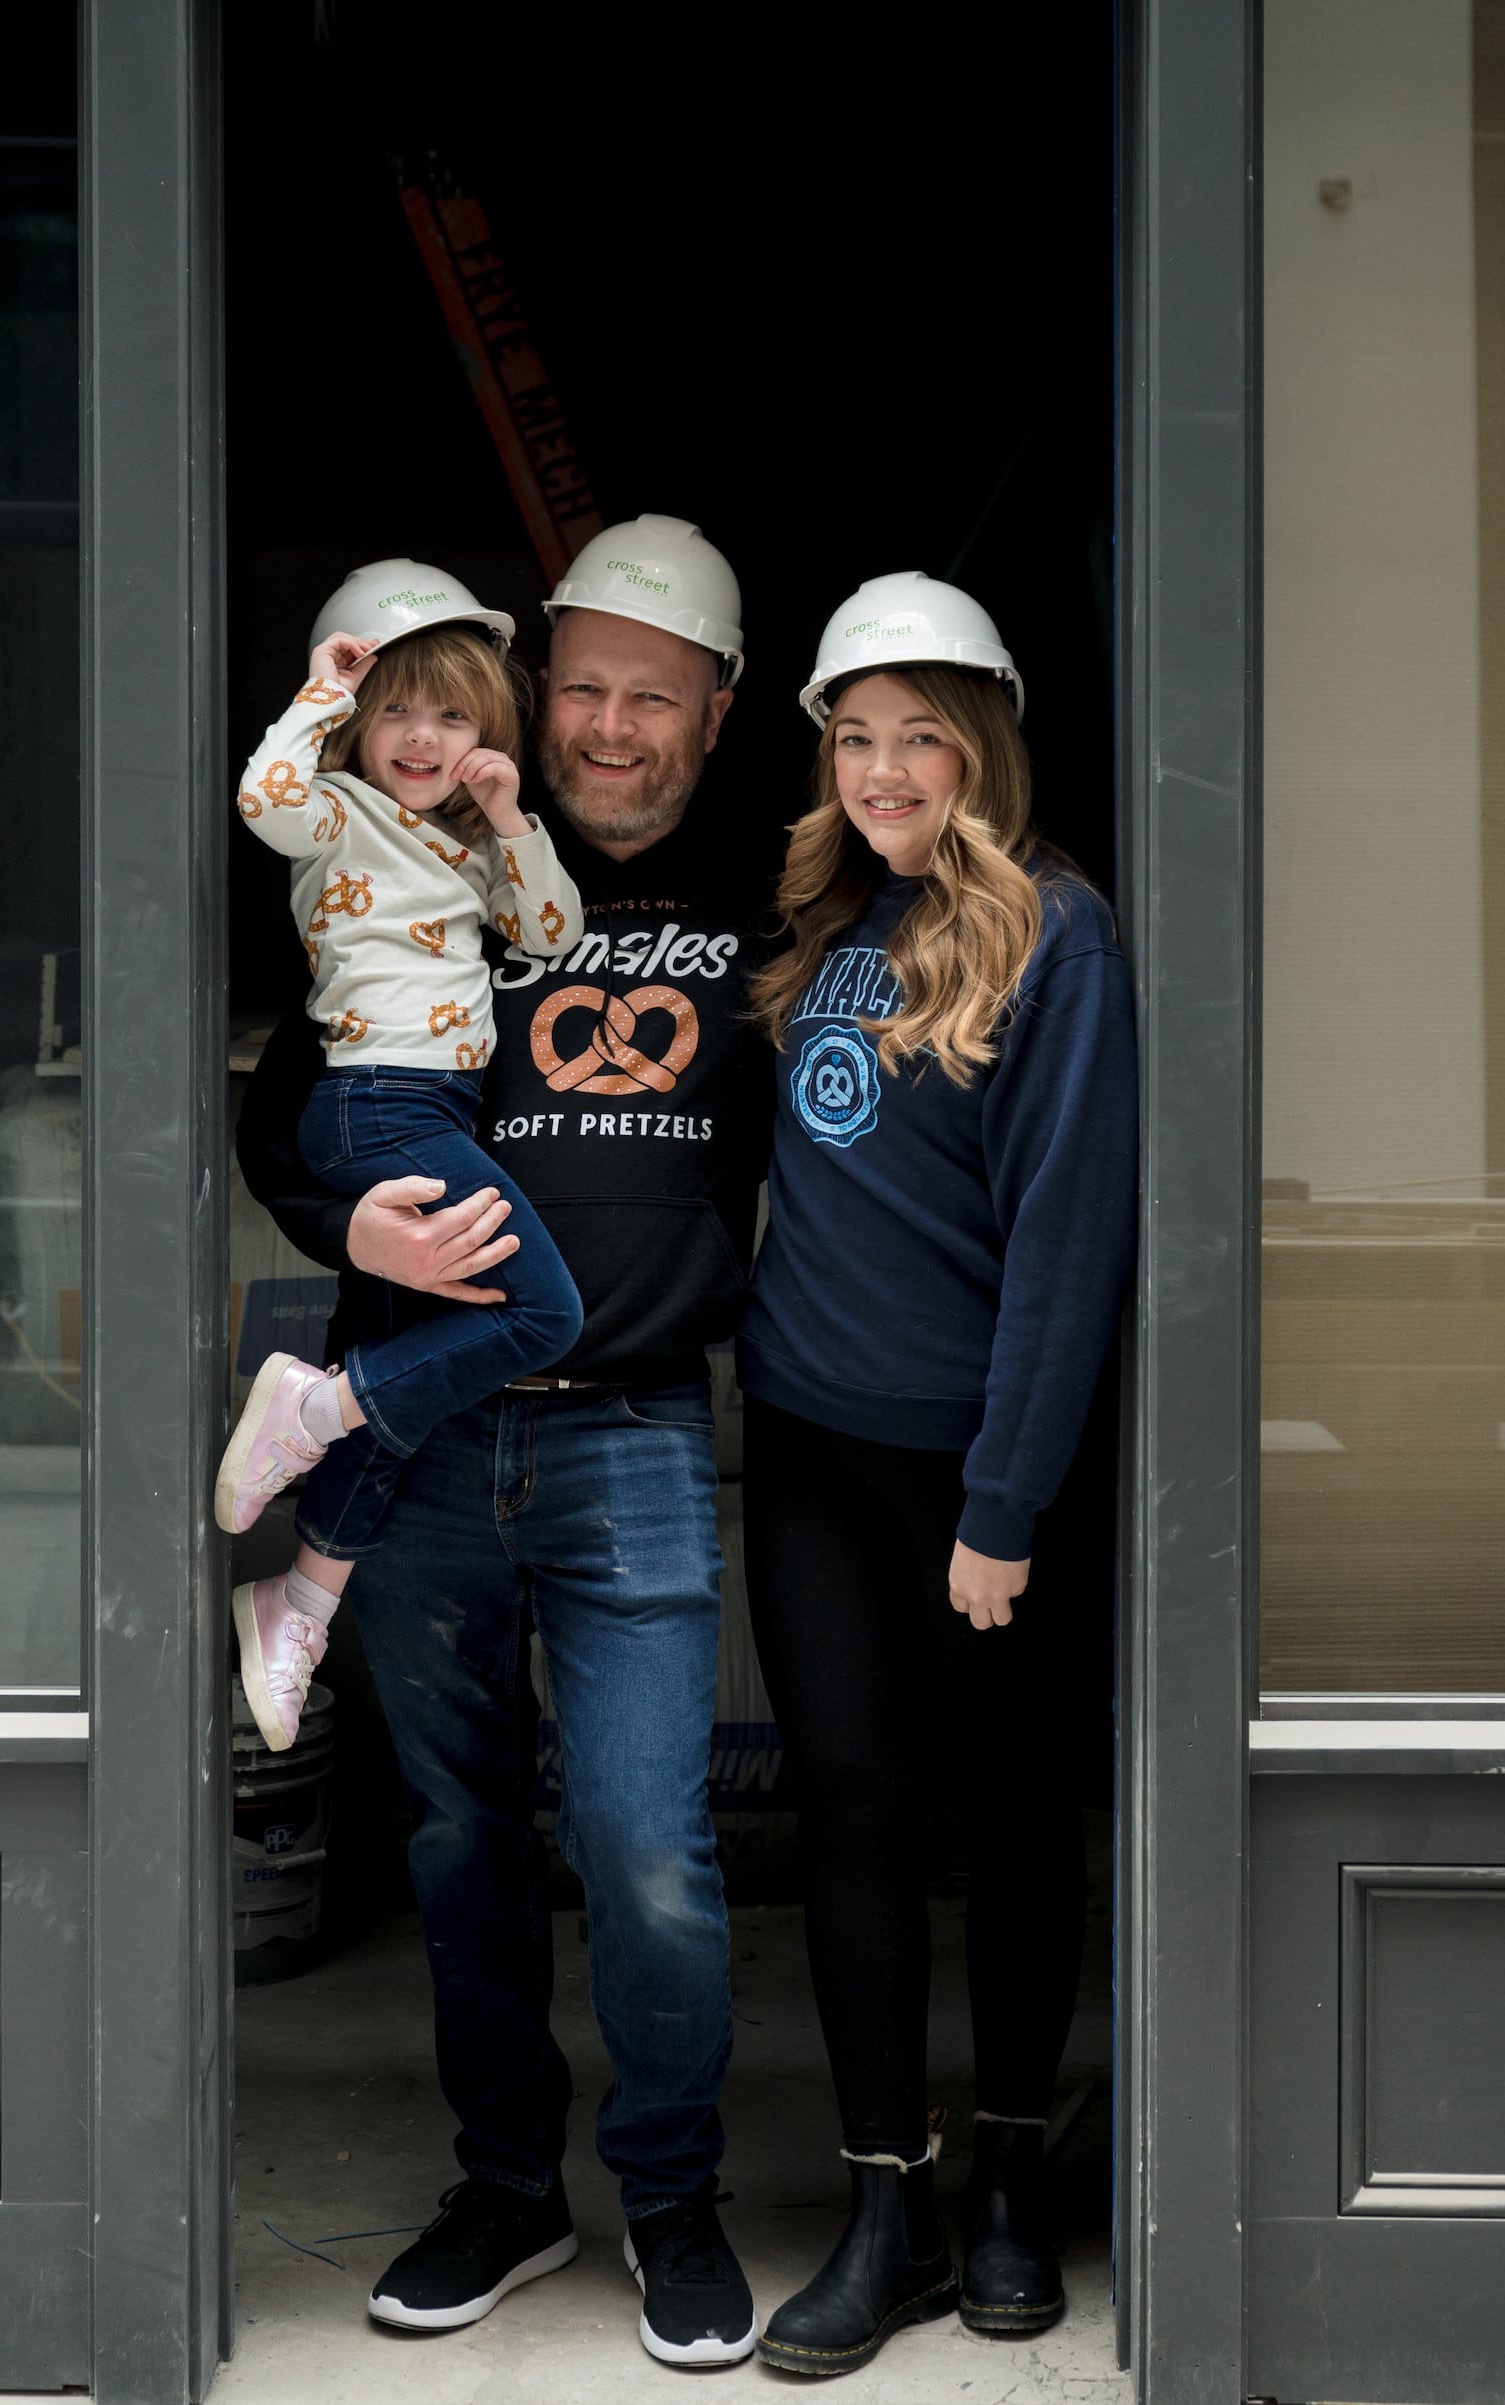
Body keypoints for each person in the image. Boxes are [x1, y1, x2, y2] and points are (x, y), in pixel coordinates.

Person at [236, 518, 775, 2367]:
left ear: (712, 714)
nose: (613, 728)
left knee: (641, 1843)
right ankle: (507, 2192)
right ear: (534, 690)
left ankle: (675, 2199)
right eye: (587, 689)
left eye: (655, 698)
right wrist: (344, 1232)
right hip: (431, 1439)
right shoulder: (408, 841)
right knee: (460, 1839)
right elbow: (287, 1109)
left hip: (628, 1433)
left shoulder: (771, 899)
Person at [738, 573, 1137, 2375]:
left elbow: (1067, 1247)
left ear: (986, 746)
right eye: (855, 732)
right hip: (812, 1459)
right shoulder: (834, 918)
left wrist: (1001, 1507)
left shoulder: (1062, 937)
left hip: (975, 1482)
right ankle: (883, 2200)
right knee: (857, 1823)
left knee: (1014, 1826)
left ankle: (1002, 2190)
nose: (885, 766)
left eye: (921, 734)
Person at [215, 564, 585, 1753]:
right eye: (397, 711)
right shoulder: (339, 811)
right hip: (377, 1107)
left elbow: (548, 932)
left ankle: (297, 1600)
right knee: (545, 1315)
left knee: (401, 1380)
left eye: (454, 716)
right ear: (361, 725)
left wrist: (513, 814)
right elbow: (264, 797)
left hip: (431, 1114)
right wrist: (321, 697)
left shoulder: (466, 847)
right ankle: (311, 1406)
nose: (423, 737)